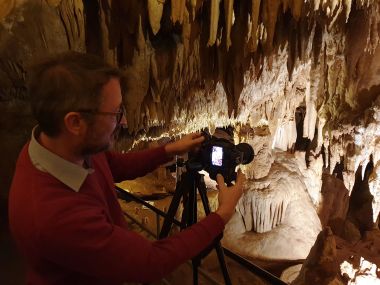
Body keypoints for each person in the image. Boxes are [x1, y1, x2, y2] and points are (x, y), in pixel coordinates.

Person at [8, 51, 245, 285]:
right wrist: (221, 215)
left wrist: (169, 150)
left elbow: (112, 165)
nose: (124, 121)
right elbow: (150, 263)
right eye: (115, 112)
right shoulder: (54, 216)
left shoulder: (57, 146)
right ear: (75, 122)